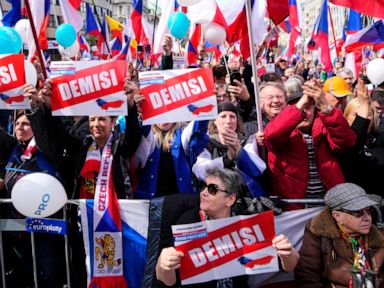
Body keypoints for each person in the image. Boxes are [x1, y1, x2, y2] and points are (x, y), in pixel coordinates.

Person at [156, 168, 300, 287]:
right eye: (203, 187)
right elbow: (167, 280)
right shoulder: (188, 222)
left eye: (212, 189)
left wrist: (288, 253)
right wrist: (163, 265)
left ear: (230, 199)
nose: (204, 192)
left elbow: (289, 266)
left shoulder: (247, 223)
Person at [263, 80, 356, 209]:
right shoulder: (282, 131)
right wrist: (301, 103)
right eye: (301, 108)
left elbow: (347, 141)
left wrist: (324, 105)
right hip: (294, 207)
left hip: (328, 204)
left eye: (308, 108)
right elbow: (272, 136)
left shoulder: (325, 126)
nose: (304, 113)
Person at [1, 101, 65, 287]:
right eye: (18, 124)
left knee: (49, 272)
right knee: (26, 272)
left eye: (26, 124)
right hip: (17, 226)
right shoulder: (13, 148)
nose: (20, 127)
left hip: (44, 225)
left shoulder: (45, 148)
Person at [295, 183, 384, 287]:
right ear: (337, 216)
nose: (367, 218)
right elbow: (307, 275)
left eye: (369, 210)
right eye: (358, 213)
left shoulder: (379, 236)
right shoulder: (318, 233)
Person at [192, 102, 266, 197]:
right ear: (215, 120)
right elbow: (200, 171)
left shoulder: (248, 141)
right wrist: (227, 159)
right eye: (223, 116)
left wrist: (239, 150)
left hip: (246, 196)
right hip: (216, 198)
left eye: (232, 116)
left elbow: (256, 171)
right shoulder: (207, 144)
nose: (228, 121)